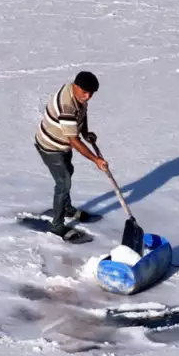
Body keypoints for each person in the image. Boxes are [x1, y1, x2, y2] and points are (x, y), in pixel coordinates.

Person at [33, 71, 108, 241]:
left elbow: (81, 113)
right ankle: (57, 226)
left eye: (91, 93)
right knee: (63, 182)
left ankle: (66, 208)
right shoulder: (67, 105)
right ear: (76, 86)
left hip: (62, 144)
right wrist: (96, 160)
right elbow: (73, 140)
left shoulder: (77, 95)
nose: (87, 97)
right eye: (85, 92)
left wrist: (85, 132)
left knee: (68, 171)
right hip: (50, 146)